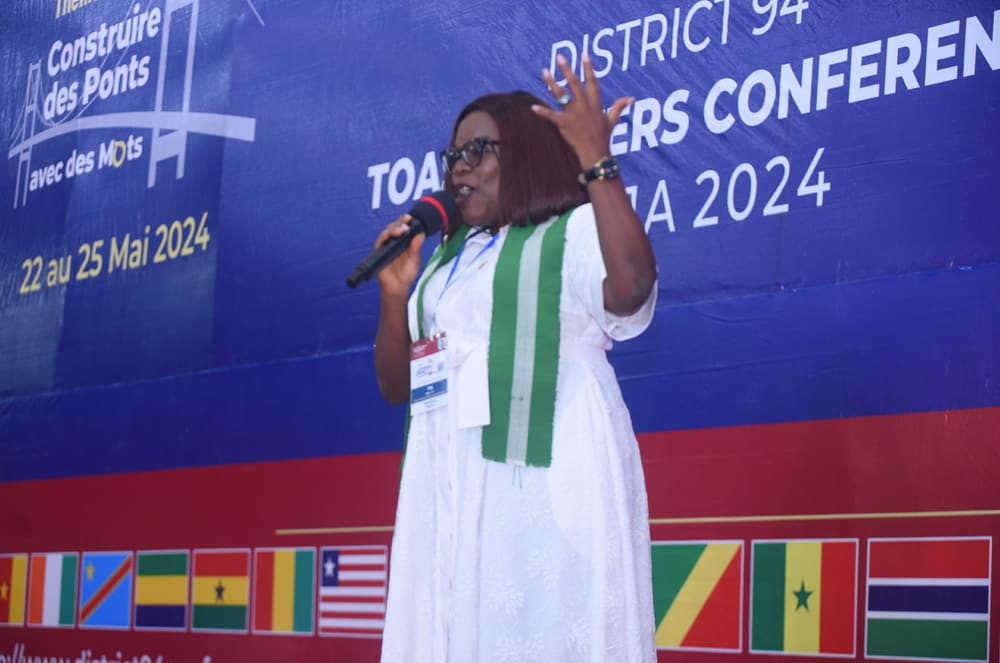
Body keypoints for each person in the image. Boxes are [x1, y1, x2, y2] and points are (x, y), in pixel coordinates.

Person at [373, 53, 658, 663]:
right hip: (449, 481)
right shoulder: (445, 264)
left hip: (540, 481)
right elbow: (400, 386)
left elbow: (631, 288)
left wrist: (595, 164)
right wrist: (396, 297)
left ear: (527, 156)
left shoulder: (570, 232)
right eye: (454, 156)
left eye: (480, 151)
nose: (460, 169)